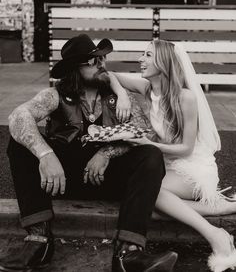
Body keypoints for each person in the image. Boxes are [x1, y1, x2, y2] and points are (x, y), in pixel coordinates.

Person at [0, 34, 178, 272]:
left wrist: (107, 152)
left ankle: (128, 254)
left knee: (150, 154)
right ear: (76, 68)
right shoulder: (55, 95)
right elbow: (18, 116)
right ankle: (39, 241)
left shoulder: (119, 97)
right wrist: (45, 155)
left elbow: (143, 133)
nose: (102, 64)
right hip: (62, 180)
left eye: (102, 59)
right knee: (19, 142)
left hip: (108, 179)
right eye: (93, 61)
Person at [109, 39, 236, 272]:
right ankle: (217, 208)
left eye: (148, 55)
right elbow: (110, 75)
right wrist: (122, 94)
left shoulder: (184, 97)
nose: (141, 59)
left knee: (148, 193)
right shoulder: (147, 89)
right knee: (152, 208)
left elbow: (186, 149)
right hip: (171, 167)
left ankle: (215, 234)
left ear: (163, 62)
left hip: (194, 168)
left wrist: (149, 144)